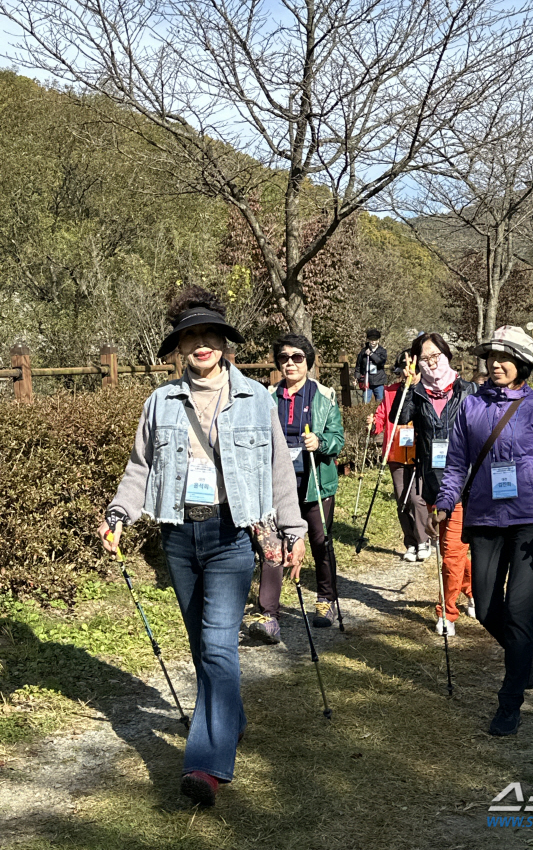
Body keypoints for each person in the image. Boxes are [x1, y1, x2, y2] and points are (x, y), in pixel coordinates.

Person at [99, 287, 307, 807]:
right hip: (178, 534)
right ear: (179, 347)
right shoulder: (160, 402)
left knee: (217, 646)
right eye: (190, 336)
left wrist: (293, 530)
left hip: (231, 534)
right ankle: (229, 721)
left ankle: (206, 766)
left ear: (224, 341)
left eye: (209, 334)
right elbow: (139, 468)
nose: (201, 344)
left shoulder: (257, 398)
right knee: (201, 646)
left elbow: (279, 469)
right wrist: (119, 515)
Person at [432, 325, 533, 736]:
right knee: (489, 609)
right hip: (484, 518)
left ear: (523, 363)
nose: (496, 364)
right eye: (491, 357)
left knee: (517, 611)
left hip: (531, 519)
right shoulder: (470, 408)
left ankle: (509, 704)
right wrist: (444, 501)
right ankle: (525, 648)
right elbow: (456, 463)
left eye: (505, 357)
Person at [249, 333, 346, 642]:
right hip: (276, 485)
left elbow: (339, 439)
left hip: (314, 484)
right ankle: (269, 615)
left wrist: (321, 442)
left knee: (320, 543)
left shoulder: (324, 396)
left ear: (308, 361)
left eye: (297, 357)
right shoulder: (266, 396)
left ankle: (325, 600)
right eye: (283, 358)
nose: (289, 363)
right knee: (273, 548)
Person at [390, 332, 477, 631]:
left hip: (464, 485)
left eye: (435, 356)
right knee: (454, 548)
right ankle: (474, 591)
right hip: (431, 482)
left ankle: (446, 612)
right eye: (423, 359)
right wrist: (407, 384)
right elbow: (399, 419)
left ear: (447, 354)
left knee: (451, 552)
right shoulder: (416, 393)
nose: (431, 363)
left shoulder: (469, 390)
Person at [367, 352, 431, 563]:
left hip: (418, 453)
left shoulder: (425, 391)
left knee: (416, 498)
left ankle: (423, 540)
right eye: (402, 373)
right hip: (394, 453)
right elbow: (381, 417)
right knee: (402, 499)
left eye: (410, 372)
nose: (405, 376)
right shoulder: (390, 392)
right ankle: (411, 542)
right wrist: (373, 424)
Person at [354, 329, 388, 403]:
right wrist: (357, 377)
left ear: (378, 340)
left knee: (380, 403)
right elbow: (358, 366)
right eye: (371, 339)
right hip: (367, 381)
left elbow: (380, 362)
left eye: (375, 339)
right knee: (365, 402)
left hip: (378, 381)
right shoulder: (363, 352)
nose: (372, 341)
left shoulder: (382, 351)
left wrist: (371, 354)